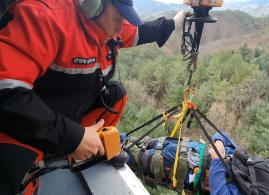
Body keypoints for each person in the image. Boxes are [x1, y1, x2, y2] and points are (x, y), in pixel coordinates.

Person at [0, 0, 191, 194]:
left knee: (116, 95)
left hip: (67, 114)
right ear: (93, 4)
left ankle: (86, 150)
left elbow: (139, 33)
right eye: (119, 16)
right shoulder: (44, 18)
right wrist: (73, 137)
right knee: (10, 173)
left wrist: (175, 22)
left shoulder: (109, 27)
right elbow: (6, 93)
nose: (121, 25)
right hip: (25, 121)